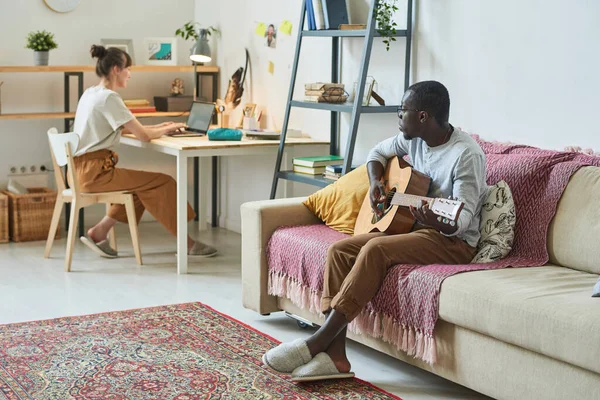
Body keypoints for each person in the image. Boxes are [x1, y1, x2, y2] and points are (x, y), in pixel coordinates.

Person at [262, 81, 487, 381]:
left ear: (422, 117)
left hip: (454, 241)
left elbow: (463, 220)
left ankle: (316, 341)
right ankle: (337, 357)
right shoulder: (414, 139)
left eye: (402, 110)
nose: (398, 116)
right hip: (416, 229)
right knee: (340, 251)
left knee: (375, 249)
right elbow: (377, 152)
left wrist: (432, 219)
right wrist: (375, 183)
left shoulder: (465, 155)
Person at [73, 45, 217, 259]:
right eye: (127, 69)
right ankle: (187, 244)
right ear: (115, 69)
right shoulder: (109, 98)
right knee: (163, 181)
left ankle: (99, 231)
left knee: (141, 186)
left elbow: (134, 130)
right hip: (95, 174)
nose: (129, 74)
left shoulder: (91, 94)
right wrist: (168, 128)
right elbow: (143, 136)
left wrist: (164, 127)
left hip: (80, 172)